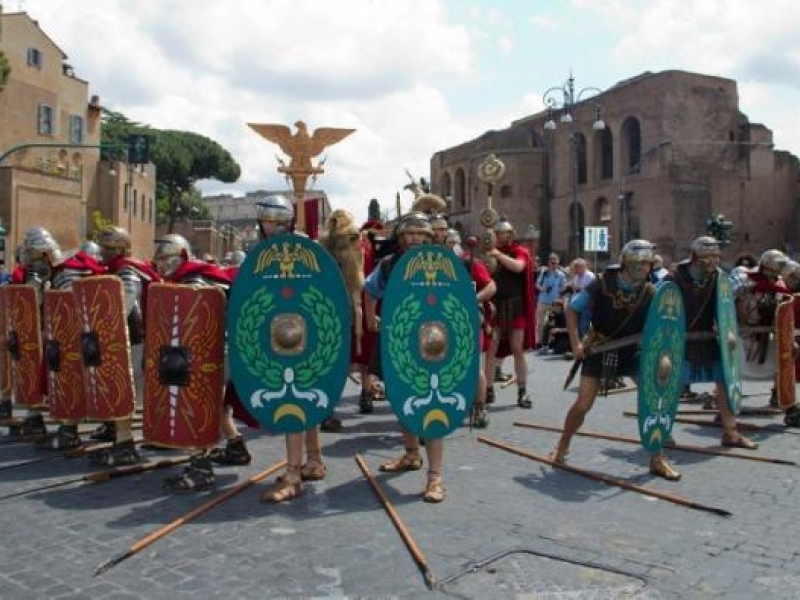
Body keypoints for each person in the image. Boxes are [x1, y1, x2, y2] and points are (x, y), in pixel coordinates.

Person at [549, 239, 682, 480]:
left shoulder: (651, 291)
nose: (643, 269)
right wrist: (576, 342)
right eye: (638, 264)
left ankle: (657, 458)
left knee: (654, 399)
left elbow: (664, 324)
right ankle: (563, 444)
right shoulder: (602, 284)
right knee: (583, 404)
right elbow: (571, 309)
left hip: (633, 350)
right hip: (600, 346)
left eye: (647, 265)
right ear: (626, 264)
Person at [150, 233, 250, 492]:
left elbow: (200, 326)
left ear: (181, 257)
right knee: (213, 406)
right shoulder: (194, 277)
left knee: (195, 404)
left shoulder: (194, 282)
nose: (160, 265)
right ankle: (236, 446)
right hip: (217, 352)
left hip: (213, 353)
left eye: (166, 259)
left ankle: (201, 469)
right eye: (157, 260)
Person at [364, 212, 452, 502]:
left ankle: (435, 477)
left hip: (433, 343)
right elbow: (369, 290)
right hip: (400, 341)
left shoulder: (444, 264)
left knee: (434, 401)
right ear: (401, 238)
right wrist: (370, 317)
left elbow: (459, 300)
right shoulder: (389, 265)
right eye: (409, 234)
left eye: (420, 234)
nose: (414, 238)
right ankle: (412, 454)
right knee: (401, 397)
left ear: (430, 237)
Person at [256, 195, 329, 502]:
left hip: (300, 334)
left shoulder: (304, 249)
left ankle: (293, 475)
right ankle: (313, 461)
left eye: (270, 221)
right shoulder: (271, 251)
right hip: (284, 331)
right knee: (303, 398)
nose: (266, 226)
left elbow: (322, 292)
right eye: (265, 221)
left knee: (292, 400)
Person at [14, 227, 106, 445]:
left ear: (46, 255)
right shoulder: (58, 272)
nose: (34, 265)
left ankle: (69, 429)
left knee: (72, 374)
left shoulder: (68, 273)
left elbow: (72, 314)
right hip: (75, 338)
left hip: (85, 338)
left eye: (36, 259)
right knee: (64, 373)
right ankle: (69, 427)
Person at [665, 236, 757, 449]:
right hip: (680, 340)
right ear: (696, 256)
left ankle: (731, 433)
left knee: (725, 382)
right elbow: (663, 309)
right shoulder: (675, 277)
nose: (714, 261)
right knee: (672, 386)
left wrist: (728, 330)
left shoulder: (718, 278)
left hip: (708, 339)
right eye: (709, 256)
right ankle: (663, 432)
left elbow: (725, 307)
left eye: (716, 256)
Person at [87, 225, 162, 465]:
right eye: (103, 247)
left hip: (132, 338)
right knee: (122, 386)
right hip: (127, 337)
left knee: (124, 387)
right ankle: (120, 435)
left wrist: (108, 329)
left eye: (109, 248)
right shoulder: (122, 268)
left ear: (120, 248)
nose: (104, 252)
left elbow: (124, 304)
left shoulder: (127, 270)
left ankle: (125, 443)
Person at [484, 218, 536, 409]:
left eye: (503, 233)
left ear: (510, 234)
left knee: (517, 348)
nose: (500, 236)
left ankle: (522, 391)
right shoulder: (487, 253)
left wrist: (497, 254)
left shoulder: (519, 251)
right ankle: (488, 390)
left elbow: (518, 267)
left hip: (516, 306)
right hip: (495, 306)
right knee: (491, 349)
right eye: (497, 234)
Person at [535, 253, 567, 351]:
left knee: (551, 322)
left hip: (554, 303)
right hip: (543, 300)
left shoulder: (561, 275)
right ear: (549, 263)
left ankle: (549, 342)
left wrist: (561, 297)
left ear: (558, 263)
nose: (553, 265)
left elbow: (564, 287)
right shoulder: (544, 273)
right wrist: (542, 288)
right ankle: (539, 342)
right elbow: (537, 285)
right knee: (539, 323)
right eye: (552, 263)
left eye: (555, 263)